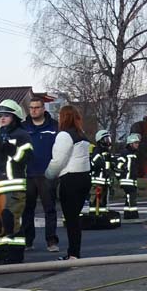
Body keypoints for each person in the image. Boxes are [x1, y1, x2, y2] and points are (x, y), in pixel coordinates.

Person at [45, 104, 91, 260]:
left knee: (71, 219)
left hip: (71, 179)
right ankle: (74, 252)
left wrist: (48, 175)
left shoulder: (64, 136)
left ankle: (73, 254)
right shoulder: (82, 135)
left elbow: (58, 160)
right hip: (84, 178)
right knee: (75, 218)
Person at [0, 99, 33, 264]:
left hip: (14, 186)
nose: (2, 119)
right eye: (0, 116)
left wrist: (8, 146)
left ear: (15, 118)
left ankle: (15, 254)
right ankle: (2, 252)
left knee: (11, 221)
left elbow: (25, 157)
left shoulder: (22, 135)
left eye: (6, 116)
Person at [21, 97, 60, 252]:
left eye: (37, 107)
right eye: (31, 108)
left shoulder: (54, 126)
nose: (34, 110)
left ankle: (51, 241)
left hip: (47, 174)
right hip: (28, 173)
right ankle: (28, 241)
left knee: (49, 209)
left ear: (44, 108)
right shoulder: (24, 127)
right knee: (27, 209)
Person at [89, 129, 114, 219]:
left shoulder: (106, 153)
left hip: (104, 182)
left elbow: (108, 168)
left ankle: (102, 216)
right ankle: (93, 216)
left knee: (103, 201)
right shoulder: (97, 152)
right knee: (95, 200)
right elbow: (95, 163)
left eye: (109, 139)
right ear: (100, 141)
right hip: (97, 182)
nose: (108, 142)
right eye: (106, 139)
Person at [117, 133, 141, 220]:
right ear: (130, 144)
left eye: (137, 143)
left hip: (131, 181)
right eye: (136, 143)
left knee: (130, 198)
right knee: (131, 198)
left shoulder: (133, 154)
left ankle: (128, 215)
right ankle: (133, 215)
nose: (137, 145)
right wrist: (120, 177)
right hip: (127, 181)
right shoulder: (125, 153)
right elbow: (118, 166)